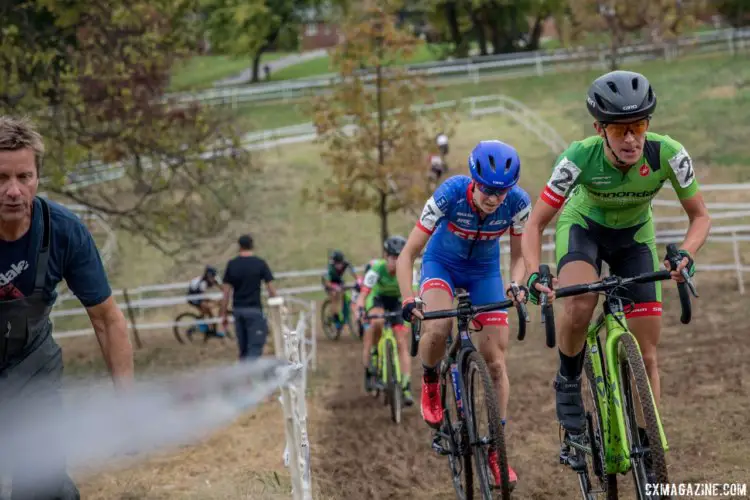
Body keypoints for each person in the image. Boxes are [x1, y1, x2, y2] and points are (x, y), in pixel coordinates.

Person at [520, 70, 711, 463]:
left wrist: (686, 254)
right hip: (583, 228)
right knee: (580, 303)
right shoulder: (577, 157)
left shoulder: (669, 153)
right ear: (599, 129)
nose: (631, 138)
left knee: (648, 352)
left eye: (639, 126)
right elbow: (535, 223)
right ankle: (569, 379)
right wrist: (535, 269)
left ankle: (648, 447)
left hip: (635, 237)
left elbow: (700, 217)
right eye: (620, 129)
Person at [0, 116, 134, 498]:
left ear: (37, 178)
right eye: (1, 178)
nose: (13, 191)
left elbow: (107, 320)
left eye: (23, 177)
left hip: (33, 365)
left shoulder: (63, 231)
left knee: (40, 481)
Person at [398, 140, 531, 489]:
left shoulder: (517, 204)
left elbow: (520, 256)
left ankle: (495, 451)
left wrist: (517, 284)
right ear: (473, 180)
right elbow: (407, 253)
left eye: (502, 191)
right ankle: (430, 378)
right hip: (441, 264)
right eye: (488, 189)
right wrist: (408, 298)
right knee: (438, 325)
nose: (494, 198)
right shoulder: (450, 194)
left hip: (484, 272)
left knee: (497, 363)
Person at [355, 236, 413, 406]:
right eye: (392, 257)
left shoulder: (409, 269)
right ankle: (374, 354)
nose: (395, 261)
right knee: (377, 322)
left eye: (399, 257)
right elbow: (364, 294)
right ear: (386, 256)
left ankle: (406, 386)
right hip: (378, 299)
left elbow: (413, 295)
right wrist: (359, 308)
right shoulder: (376, 269)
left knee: (402, 342)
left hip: (397, 301)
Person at [220, 234, 277, 360]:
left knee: (243, 349)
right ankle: (249, 376)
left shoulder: (232, 264)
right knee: (255, 348)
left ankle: (245, 378)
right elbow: (271, 289)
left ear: (239, 247)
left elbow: (226, 293)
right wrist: (278, 305)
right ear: (252, 246)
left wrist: (223, 314)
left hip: (238, 311)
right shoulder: (260, 264)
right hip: (254, 310)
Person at [321, 250, 358, 332]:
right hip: (328, 282)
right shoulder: (329, 268)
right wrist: (333, 287)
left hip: (338, 280)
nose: (339, 265)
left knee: (345, 293)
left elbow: (354, 273)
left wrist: (358, 280)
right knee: (334, 295)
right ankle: (334, 317)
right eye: (337, 264)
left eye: (341, 263)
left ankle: (345, 315)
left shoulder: (346, 263)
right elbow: (327, 282)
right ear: (334, 263)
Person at [186, 265, 223, 336]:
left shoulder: (214, 278)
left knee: (209, 312)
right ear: (207, 275)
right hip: (193, 297)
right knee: (207, 308)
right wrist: (215, 302)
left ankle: (213, 331)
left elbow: (222, 287)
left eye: (213, 276)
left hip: (199, 296)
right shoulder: (202, 282)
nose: (212, 278)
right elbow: (203, 297)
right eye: (211, 277)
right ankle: (197, 327)